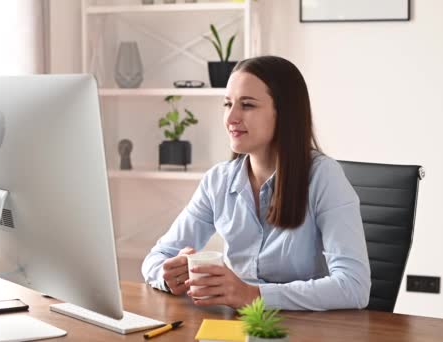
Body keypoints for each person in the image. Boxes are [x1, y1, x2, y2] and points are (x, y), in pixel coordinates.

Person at [141, 56, 371, 311]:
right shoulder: (218, 181)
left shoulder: (324, 177)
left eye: (247, 105)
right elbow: (156, 258)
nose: (231, 118)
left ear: (284, 113)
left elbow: (353, 287)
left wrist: (253, 294)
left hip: (303, 331)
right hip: (235, 329)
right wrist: (167, 276)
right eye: (227, 104)